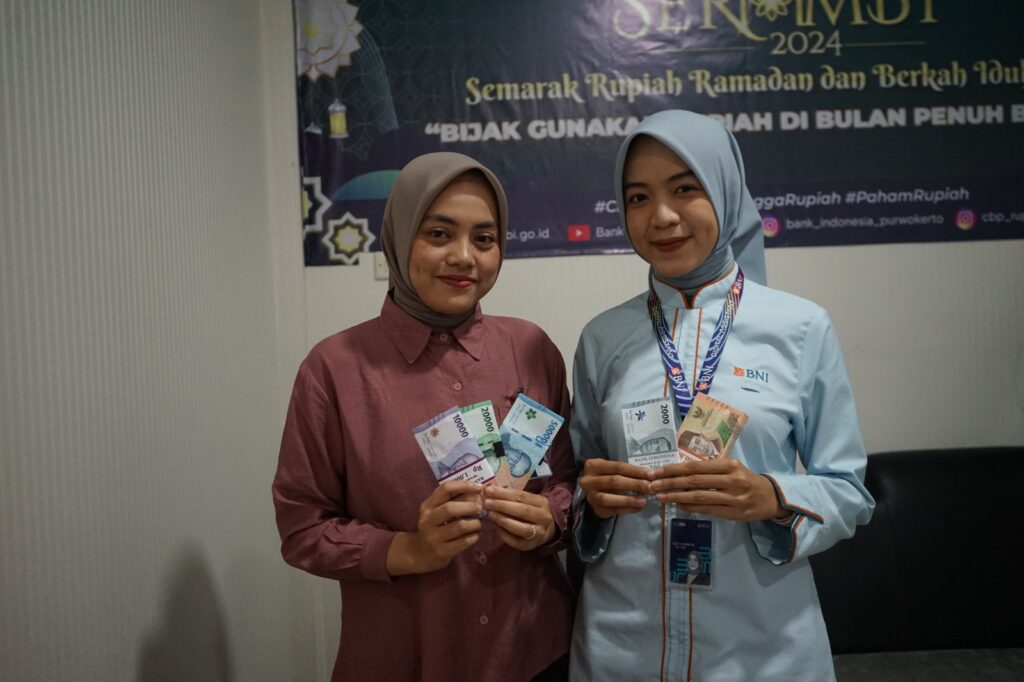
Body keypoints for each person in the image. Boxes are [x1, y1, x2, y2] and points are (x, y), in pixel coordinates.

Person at [569, 110, 875, 680]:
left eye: (685, 188)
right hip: (622, 644)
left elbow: (848, 490)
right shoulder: (602, 338)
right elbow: (577, 481)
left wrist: (772, 496)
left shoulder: (800, 328)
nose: (661, 216)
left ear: (726, 191)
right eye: (638, 198)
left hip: (762, 647)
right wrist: (591, 500)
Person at [273, 152, 576, 681]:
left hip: (534, 651)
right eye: (439, 234)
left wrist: (549, 520)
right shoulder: (333, 370)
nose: (464, 257)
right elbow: (302, 529)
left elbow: (566, 480)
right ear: (399, 235)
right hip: (405, 658)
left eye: (484, 239)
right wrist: (405, 550)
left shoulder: (531, 349)